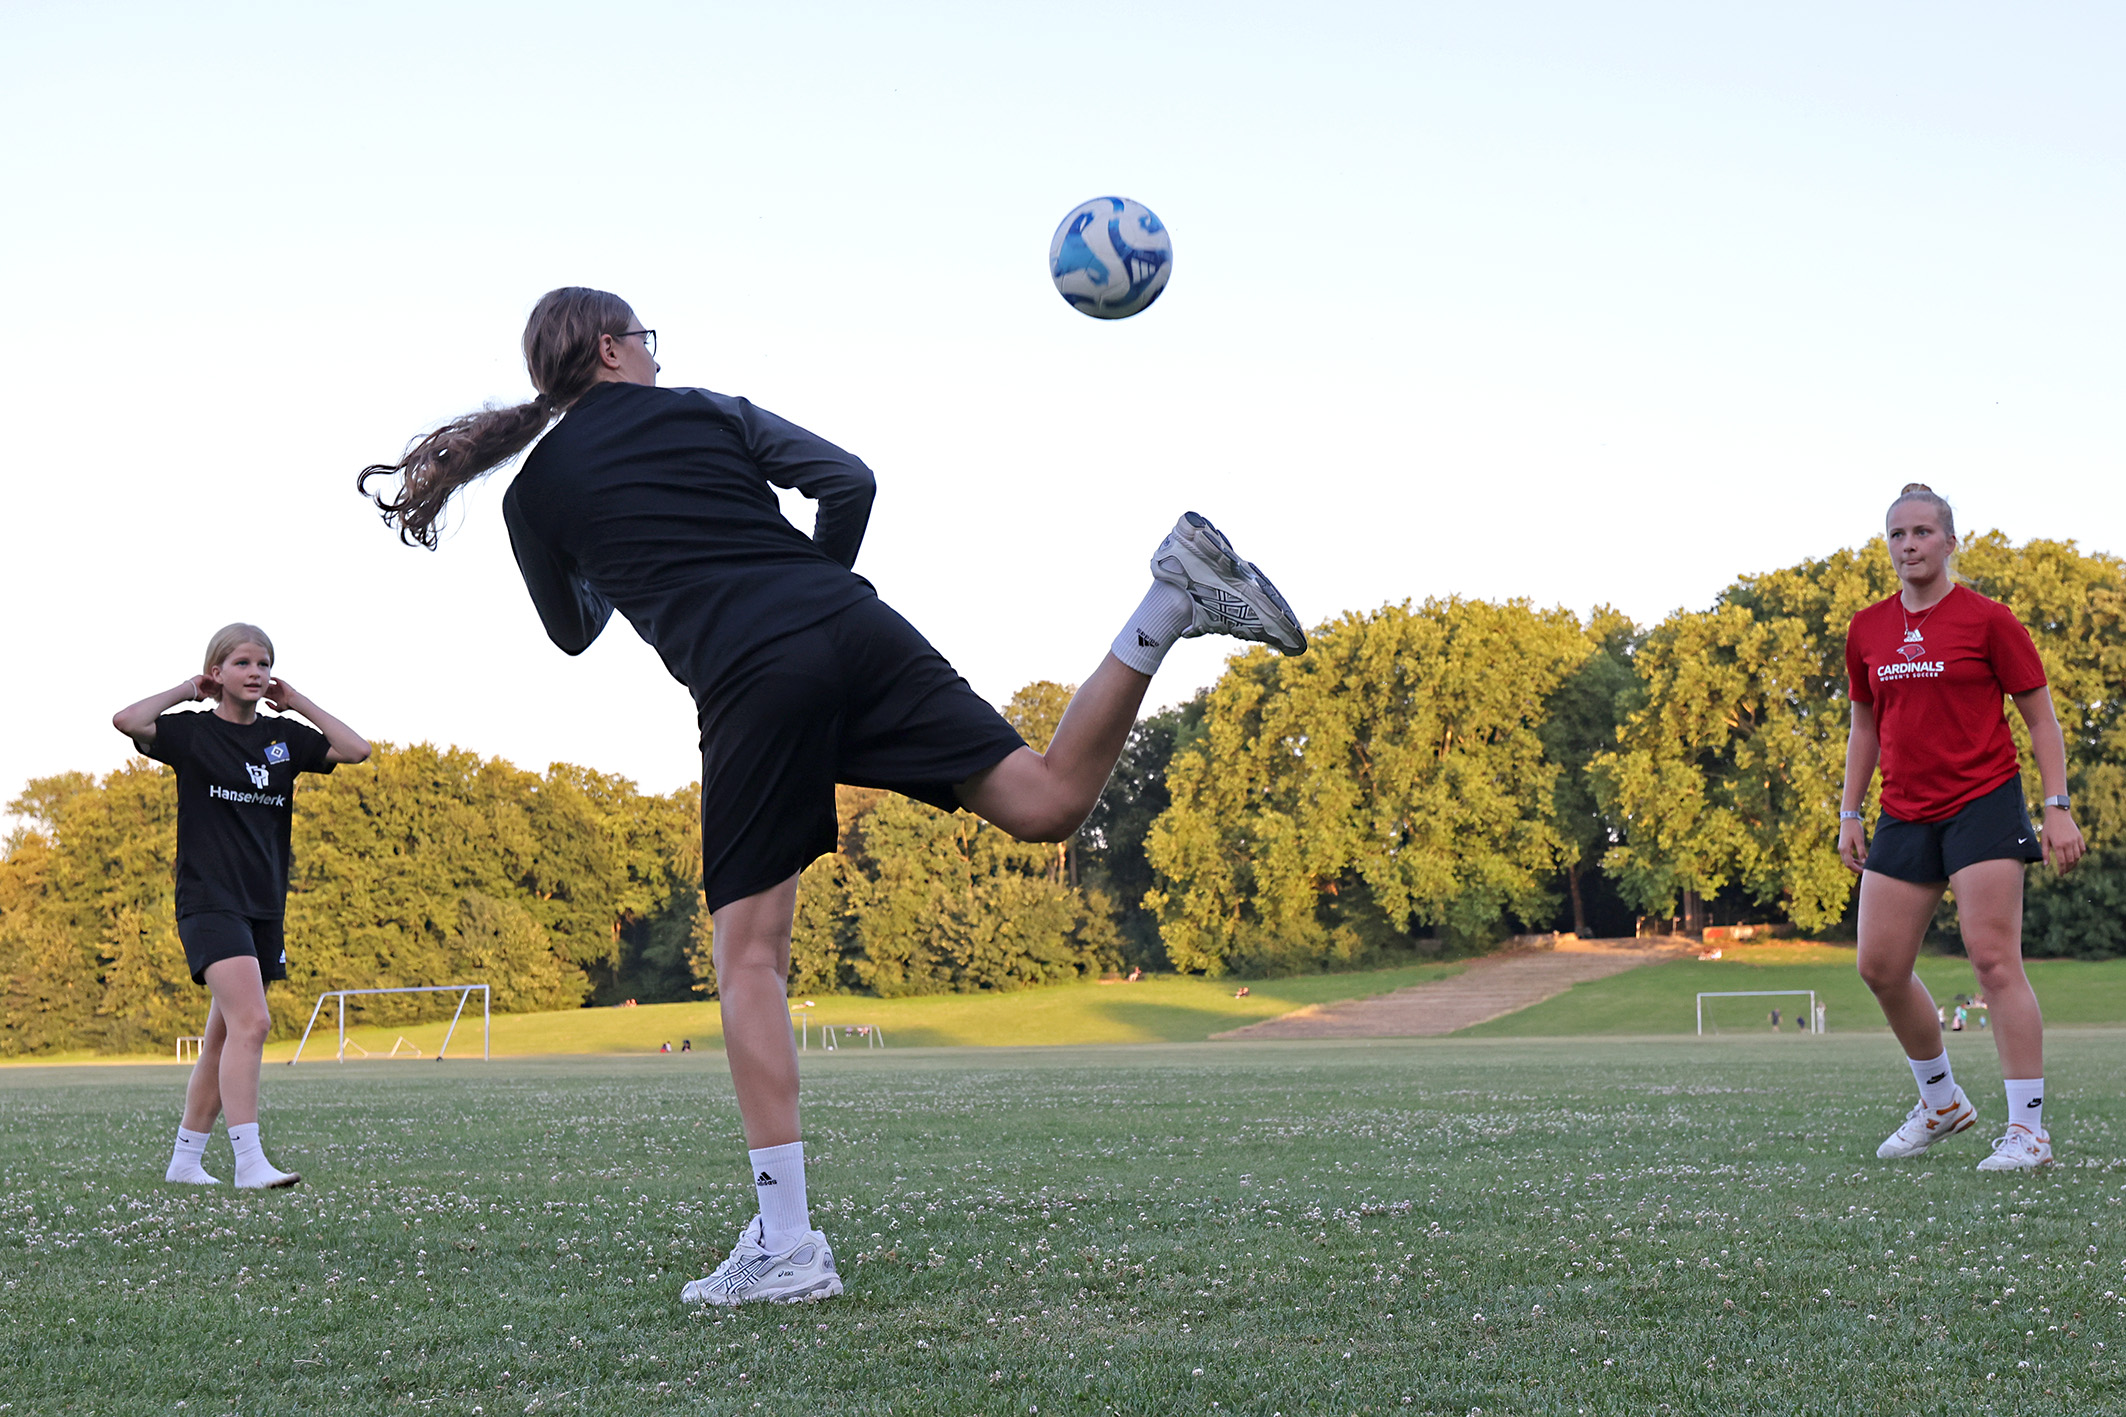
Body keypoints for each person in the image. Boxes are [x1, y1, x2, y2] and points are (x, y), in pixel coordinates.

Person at [357, 288, 1306, 1305]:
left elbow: (571, 631)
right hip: (852, 625)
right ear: (609, 348)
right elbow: (849, 480)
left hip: (751, 676)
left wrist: (628, 563)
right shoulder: (709, 411)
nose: (656, 356)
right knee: (1045, 801)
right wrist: (805, 590)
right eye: (646, 340)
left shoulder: (531, 496)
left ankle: (786, 1243)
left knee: (748, 960)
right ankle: (1169, 598)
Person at [1838, 484, 2084, 1171]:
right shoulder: (1867, 629)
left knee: (1993, 960)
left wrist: (2057, 805)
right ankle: (1941, 1101)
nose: (1909, 544)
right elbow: (1864, 726)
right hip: (1904, 810)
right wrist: (1850, 811)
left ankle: (2028, 1131)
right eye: (1897, 534)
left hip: (1983, 802)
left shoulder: (1989, 621)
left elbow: (2041, 719)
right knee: (1880, 966)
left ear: (1950, 542)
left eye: (1922, 532)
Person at [112, 624, 370, 1188]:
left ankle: (185, 1162)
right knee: (253, 1022)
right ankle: (249, 1162)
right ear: (218, 672)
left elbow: (357, 750)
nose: (256, 672)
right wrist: (188, 689)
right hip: (209, 900)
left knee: (224, 1036)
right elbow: (128, 720)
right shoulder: (192, 733)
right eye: (243, 663)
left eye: (264, 663)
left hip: (263, 906)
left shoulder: (284, 739)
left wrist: (297, 702)